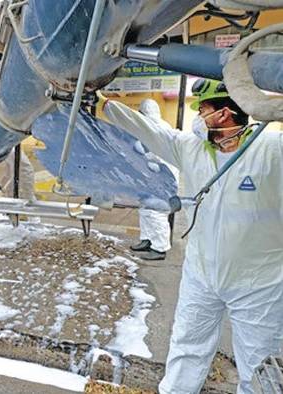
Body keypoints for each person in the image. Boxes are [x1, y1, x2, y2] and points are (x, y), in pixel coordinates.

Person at [100, 79, 283, 393]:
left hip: (260, 283)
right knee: (186, 349)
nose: (198, 116)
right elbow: (147, 129)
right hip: (201, 275)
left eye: (203, 110)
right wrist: (102, 104)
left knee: (260, 366)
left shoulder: (272, 149)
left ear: (224, 114)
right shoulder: (191, 149)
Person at [130, 99, 179, 260]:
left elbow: (161, 158)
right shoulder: (148, 128)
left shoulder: (159, 129)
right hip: (151, 178)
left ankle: (159, 248)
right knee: (145, 210)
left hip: (163, 179)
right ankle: (147, 240)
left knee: (157, 213)